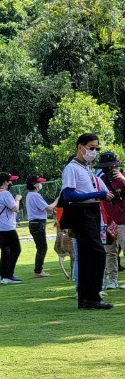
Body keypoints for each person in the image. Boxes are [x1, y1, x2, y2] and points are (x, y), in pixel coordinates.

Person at [60, 133, 114, 311]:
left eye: (96, 148)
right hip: (81, 212)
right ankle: (91, 297)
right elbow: (69, 195)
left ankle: (87, 299)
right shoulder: (72, 168)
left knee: (87, 256)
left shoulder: (87, 168)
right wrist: (97, 194)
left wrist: (105, 196)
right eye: (91, 148)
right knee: (97, 253)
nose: (94, 151)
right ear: (80, 146)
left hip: (91, 210)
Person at [97, 150, 125, 291]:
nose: (110, 169)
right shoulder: (100, 179)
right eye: (106, 167)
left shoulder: (122, 177)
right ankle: (112, 280)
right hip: (107, 220)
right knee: (110, 252)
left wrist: (122, 178)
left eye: (112, 166)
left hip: (123, 220)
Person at [0, 173, 22, 283]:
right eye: (10, 181)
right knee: (16, 249)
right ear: (5, 182)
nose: (11, 183)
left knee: (5, 251)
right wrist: (17, 199)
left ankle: (4, 277)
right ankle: (9, 275)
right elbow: (15, 208)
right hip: (7, 226)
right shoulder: (5, 193)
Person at [24, 175, 56, 277]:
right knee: (42, 248)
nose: (40, 184)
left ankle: (38, 270)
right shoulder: (35, 196)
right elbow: (48, 208)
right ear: (34, 184)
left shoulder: (29, 195)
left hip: (34, 223)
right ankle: (38, 271)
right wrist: (57, 200)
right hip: (38, 223)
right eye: (38, 182)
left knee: (40, 247)